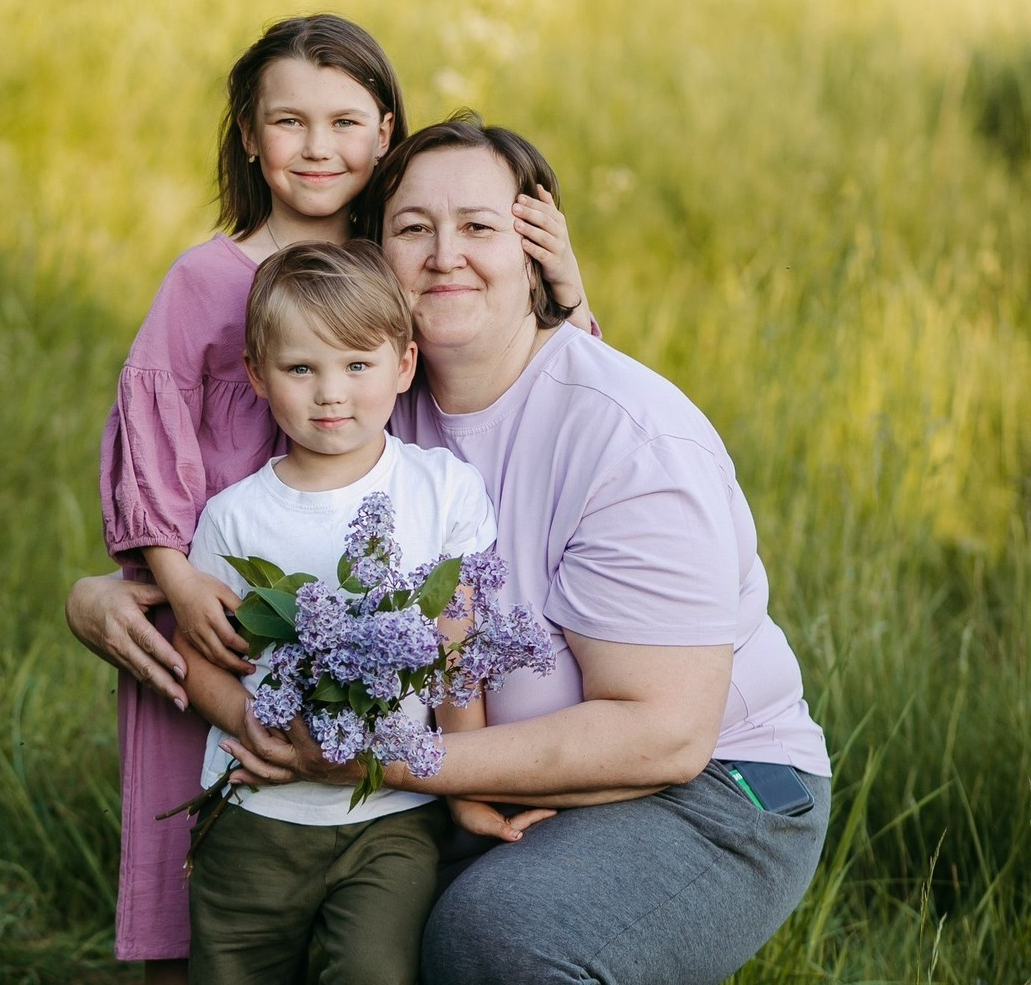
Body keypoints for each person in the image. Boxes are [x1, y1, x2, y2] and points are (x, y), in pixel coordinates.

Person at [210, 116, 833, 985]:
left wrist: (376, 760)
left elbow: (663, 735)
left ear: (534, 252)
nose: (445, 256)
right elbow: (245, 521)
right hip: (476, 777)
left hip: (710, 793)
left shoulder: (631, 439)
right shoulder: (367, 399)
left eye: (479, 226)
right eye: (413, 228)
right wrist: (108, 594)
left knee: (499, 936)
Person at [86, 16, 590, 983]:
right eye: (289, 122)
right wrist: (172, 579)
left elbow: (530, 378)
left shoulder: (399, 258)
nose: (319, 148)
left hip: (378, 617)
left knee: (370, 904)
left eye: (346, 122)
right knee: (208, 881)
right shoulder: (205, 280)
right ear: (248, 135)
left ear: (386, 131)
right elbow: (150, 440)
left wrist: (562, 289)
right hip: (226, 608)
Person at [176, 239, 541, 984]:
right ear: (257, 374)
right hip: (258, 812)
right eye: (300, 369)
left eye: (356, 365)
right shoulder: (234, 518)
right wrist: (253, 724)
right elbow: (199, 658)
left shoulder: (442, 490)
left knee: (376, 972)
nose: (330, 394)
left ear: (404, 365)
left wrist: (463, 787)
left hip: (392, 816)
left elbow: (455, 661)